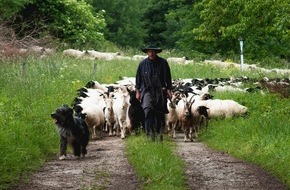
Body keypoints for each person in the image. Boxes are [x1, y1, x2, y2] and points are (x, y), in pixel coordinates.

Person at [135, 44, 172, 141]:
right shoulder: (142, 64)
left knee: (159, 114)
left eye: (153, 51)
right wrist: (138, 92)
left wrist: (168, 89)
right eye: (149, 51)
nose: (151, 53)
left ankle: (159, 134)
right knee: (148, 111)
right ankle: (149, 134)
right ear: (147, 52)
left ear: (156, 52)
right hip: (146, 90)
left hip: (160, 90)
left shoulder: (163, 63)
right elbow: (138, 78)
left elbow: (168, 77)